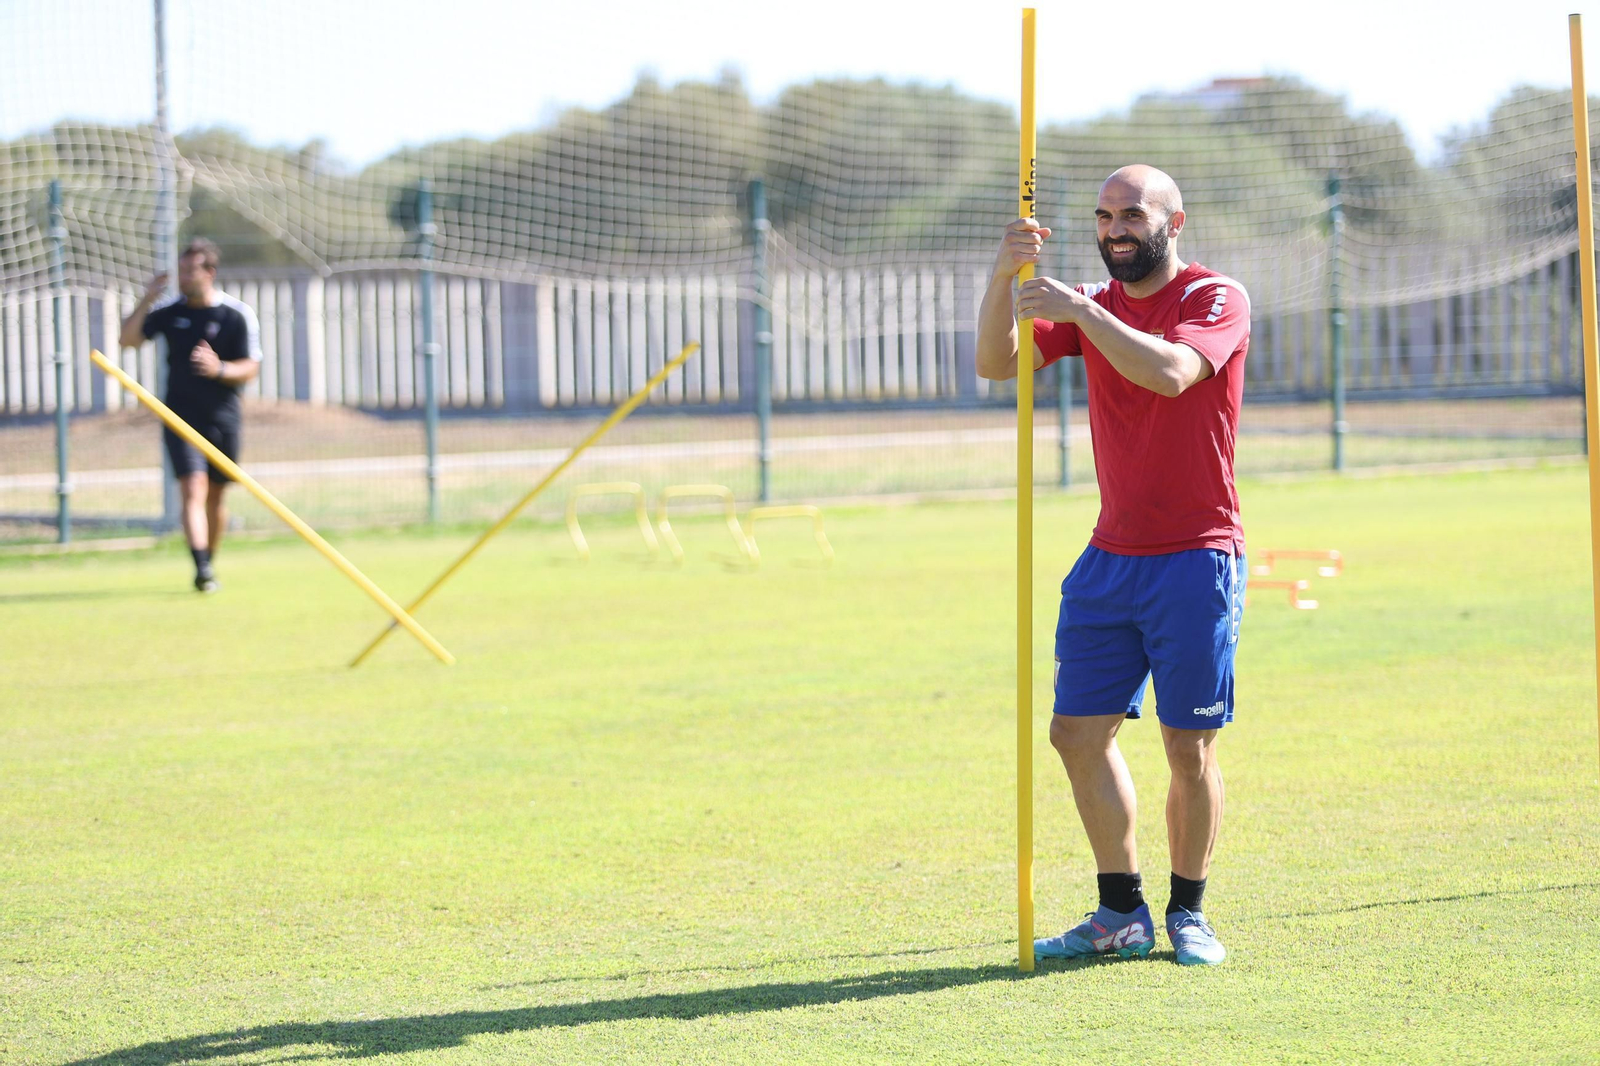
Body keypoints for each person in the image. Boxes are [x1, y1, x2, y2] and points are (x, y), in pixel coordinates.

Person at [977, 165, 1251, 966]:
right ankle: (1119, 912)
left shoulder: (1214, 298)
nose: (1114, 229)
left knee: (1186, 747)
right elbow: (1000, 363)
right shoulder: (1092, 309)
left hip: (1196, 555)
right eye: (1103, 216)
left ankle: (1189, 912)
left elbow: (1169, 373)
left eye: (1131, 214)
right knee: (1074, 732)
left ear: (1175, 220)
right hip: (1109, 556)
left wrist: (1079, 314)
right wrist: (1005, 275)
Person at [120, 239, 262, 593]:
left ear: (209, 273)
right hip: (180, 418)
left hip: (223, 418)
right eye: (180, 270)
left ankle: (208, 565)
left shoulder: (235, 314)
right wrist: (147, 299)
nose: (183, 277)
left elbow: (251, 367)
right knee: (192, 488)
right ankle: (200, 567)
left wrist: (218, 368)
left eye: (190, 271)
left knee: (216, 495)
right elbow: (128, 340)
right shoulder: (170, 312)